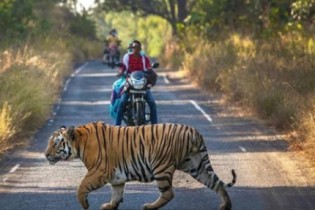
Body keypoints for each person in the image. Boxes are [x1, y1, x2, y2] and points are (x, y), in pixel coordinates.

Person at [115, 40, 157, 126]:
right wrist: (121, 72)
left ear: (140, 48)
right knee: (122, 102)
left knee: (152, 102)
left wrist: (151, 79)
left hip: (143, 84)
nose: (136, 49)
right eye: (134, 47)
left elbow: (149, 69)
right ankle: (117, 126)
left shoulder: (144, 59)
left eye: (137, 47)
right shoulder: (127, 57)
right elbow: (123, 67)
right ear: (132, 48)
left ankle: (155, 126)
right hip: (130, 84)